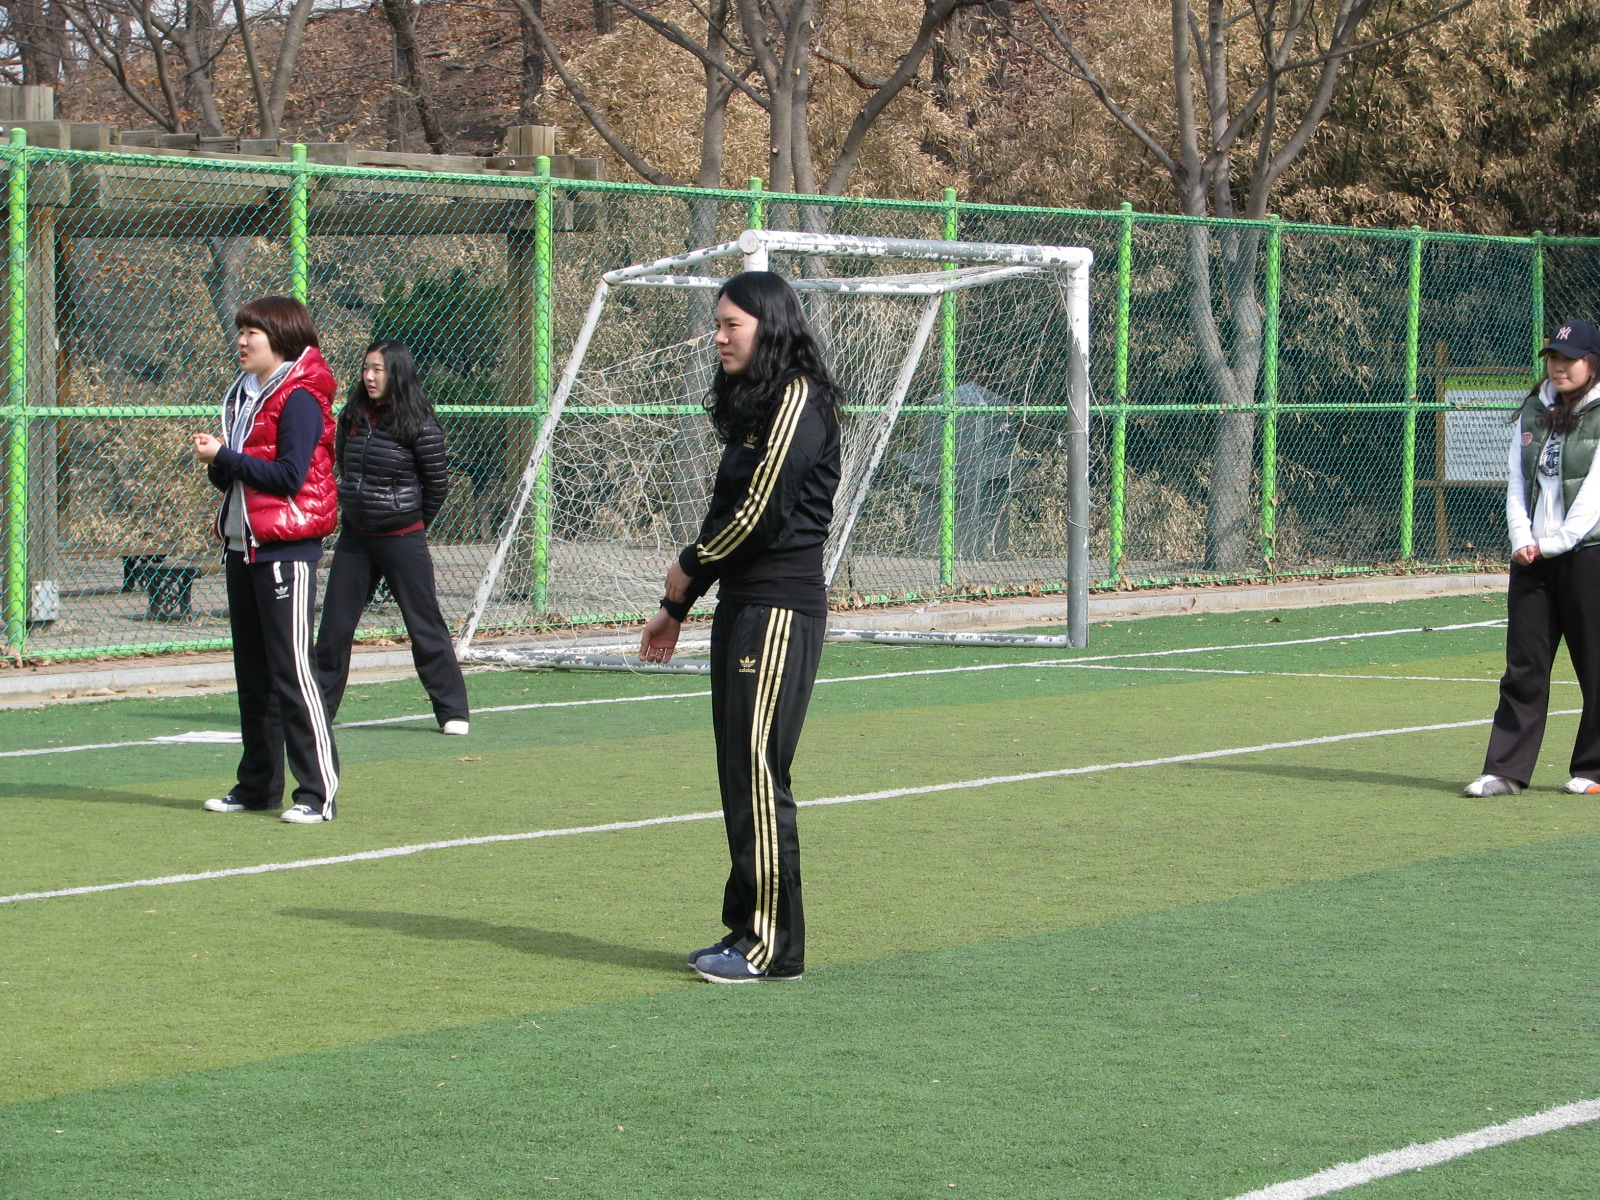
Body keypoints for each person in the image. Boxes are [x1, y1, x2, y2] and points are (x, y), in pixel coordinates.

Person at [639, 271, 842, 984]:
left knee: (759, 772)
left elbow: (759, 517)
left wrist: (686, 569)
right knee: (739, 772)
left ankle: (771, 946)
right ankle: (746, 931)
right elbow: (729, 511)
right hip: (743, 607)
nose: (719, 337)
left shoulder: (798, 398)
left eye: (732, 325)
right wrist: (678, 607)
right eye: (718, 324)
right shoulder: (760, 405)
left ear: (770, 326)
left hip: (779, 610)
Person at [191, 296, 341, 824]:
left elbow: (289, 477)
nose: (240, 341)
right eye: (240, 331)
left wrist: (226, 457)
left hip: (285, 551)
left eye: (250, 333)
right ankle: (257, 786)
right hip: (243, 546)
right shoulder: (243, 393)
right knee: (253, 675)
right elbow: (237, 477)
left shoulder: (299, 397)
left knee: (293, 672)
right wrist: (219, 463)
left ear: (278, 337)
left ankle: (317, 792)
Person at [1466, 318, 1600, 798]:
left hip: (1588, 554)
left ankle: (1594, 769)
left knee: (1595, 664)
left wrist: (1555, 543)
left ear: (1592, 363)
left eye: (1570, 359)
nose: (1559, 367)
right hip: (1532, 557)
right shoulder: (1534, 409)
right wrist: (1522, 538)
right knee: (1523, 667)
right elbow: (1518, 481)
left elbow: (1594, 493)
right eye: (1554, 358)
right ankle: (1504, 771)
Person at [315, 340, 470, 733]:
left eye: (378, 370)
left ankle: (453, 711)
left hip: (403, 538)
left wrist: (410, 523)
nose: (369, 377)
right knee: (334, 629)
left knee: (424, 625)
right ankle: (316, 714)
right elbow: (344, 467)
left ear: (396, 373)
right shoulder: (352, 415)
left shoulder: (419, 422)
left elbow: (437, 485)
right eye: (366, 368)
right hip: (355, 539)